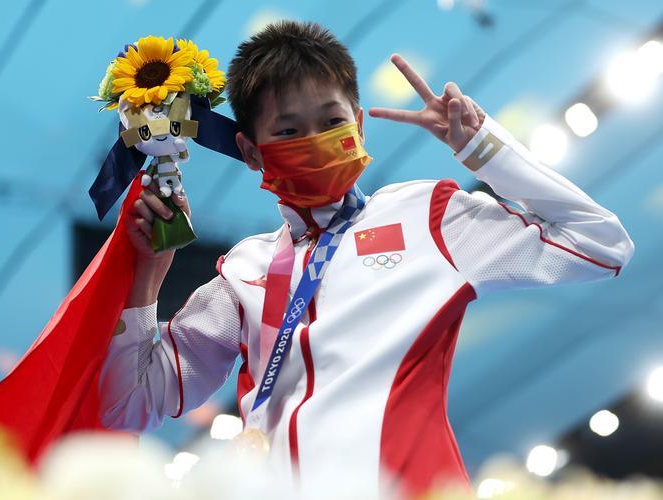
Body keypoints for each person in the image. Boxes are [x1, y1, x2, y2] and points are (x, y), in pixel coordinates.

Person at [97, 20, 634, 498]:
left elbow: (600, 243)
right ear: (252, 151)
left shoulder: (430, 218)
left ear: (358, 122)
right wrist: (149, 276)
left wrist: (484, 150)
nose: (315, 141)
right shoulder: (244, 271)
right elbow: (128, 406)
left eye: (331, 121)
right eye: (288, 131)